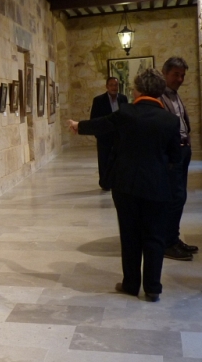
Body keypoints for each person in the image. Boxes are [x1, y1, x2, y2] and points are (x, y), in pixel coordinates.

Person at [68, 68, 180, 301]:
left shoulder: (127, 113)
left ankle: (131, 284)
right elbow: (175, 158)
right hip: (157, 187)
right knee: (155, 236)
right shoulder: (170, 121)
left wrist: (79, 126)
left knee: (130, 234)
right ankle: (153, 288)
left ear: (138, 90)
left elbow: (103, 124)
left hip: (126, 185)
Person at [160, 57, 197, 260]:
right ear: (165, 73)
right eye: (176, 74)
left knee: (180, 198)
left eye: (182, 75)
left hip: (183, 150)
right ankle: (168, 242)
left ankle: (173, 238)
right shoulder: (159, 98)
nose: (180, 79)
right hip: (172, 154)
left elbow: (182, 122)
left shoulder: (175, 96)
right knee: (175, 198)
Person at [90, 77, 128, 189]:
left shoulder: (123, 99)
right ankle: (105, 183)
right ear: (107, 87)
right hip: (104, 137)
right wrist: (99, 135)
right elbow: (94, 119)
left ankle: (119, 181)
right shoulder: (98, 100)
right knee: (104, 160)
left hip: (119, 137)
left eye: (115, 85)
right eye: (111, 85)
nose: (113, 87)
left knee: (120, 160)